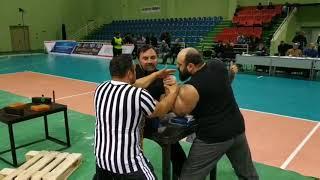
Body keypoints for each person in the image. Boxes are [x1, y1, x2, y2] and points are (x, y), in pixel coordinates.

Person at [172, 48, 258, 180]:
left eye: (179, 65)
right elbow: (225, 81)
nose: (177, 67)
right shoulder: (217, 65)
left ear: (190, 66)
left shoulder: (190, 87)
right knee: (248, 175)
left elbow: (180, 111)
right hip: (237, 129)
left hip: (213, 138)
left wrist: (171, 90)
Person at [93, 54, 178, 180]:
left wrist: (155, 75)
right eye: (134, 70)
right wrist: (174, 91)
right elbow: (161, 110)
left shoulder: (100, 88)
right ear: (129, 72)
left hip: (101, 160)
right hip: (127, 164)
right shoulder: (139, 95)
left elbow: (133, 84)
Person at [135, 45, 186, 179]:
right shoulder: (132, 73)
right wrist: (156, 75)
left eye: (153, 57)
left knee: (180, 157)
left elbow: (167, 104)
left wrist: (173, 86)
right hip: (131, 125)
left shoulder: (162, 76)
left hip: (152, 121)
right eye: (145, 58)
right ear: (138, 60)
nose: (150, 61)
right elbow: (133, 85)